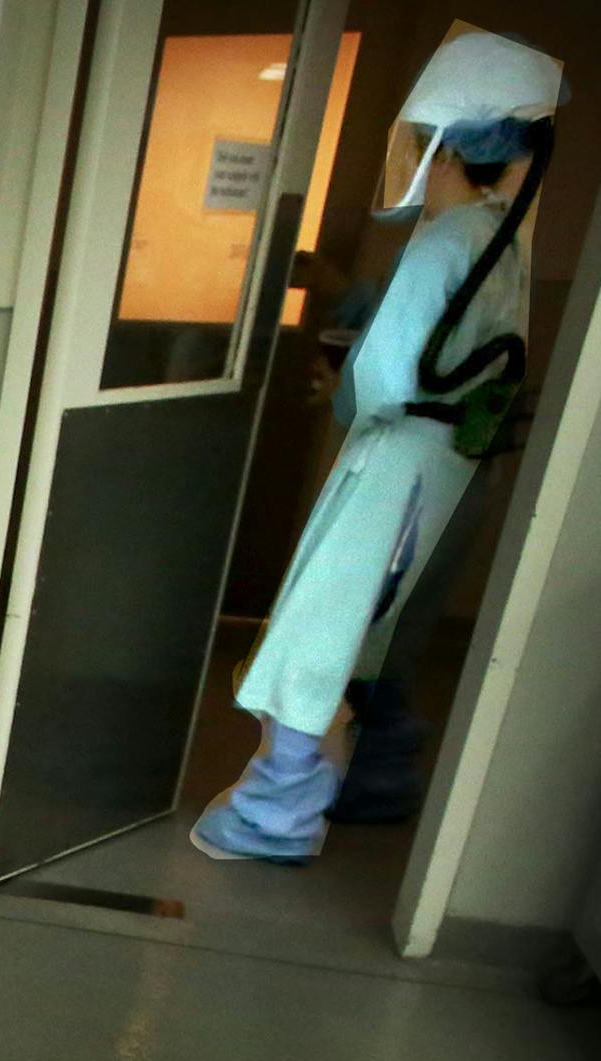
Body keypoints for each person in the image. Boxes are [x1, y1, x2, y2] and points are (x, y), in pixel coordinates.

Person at [194, 28, 564, 862]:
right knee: (371, 633)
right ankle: (365, 782)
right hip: (445, 468)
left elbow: (389, 379)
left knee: (319, 631)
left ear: (447, 145)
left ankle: (276, 818)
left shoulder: (445, 239)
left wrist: (343, 389)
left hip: (395, 464)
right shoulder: (498, 239)